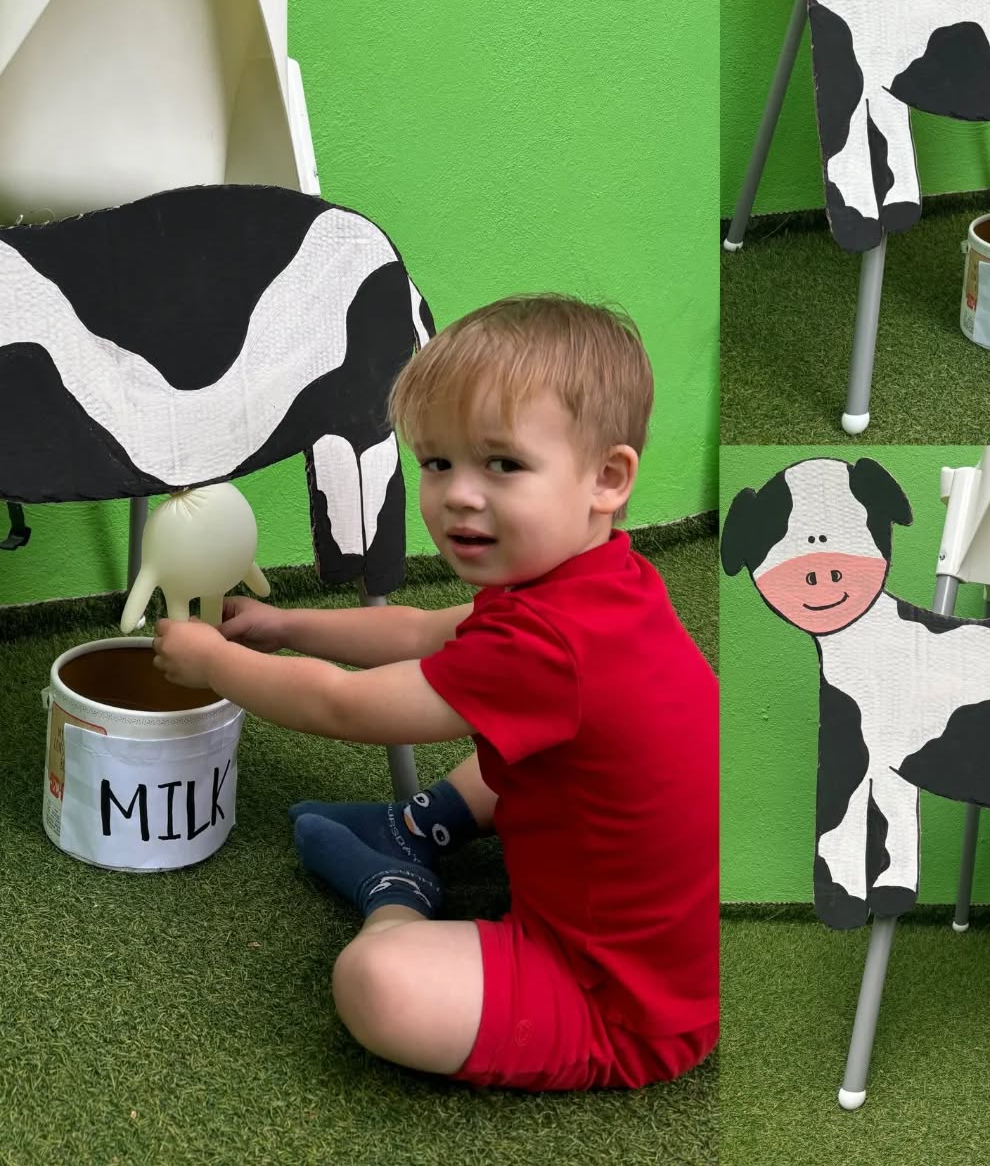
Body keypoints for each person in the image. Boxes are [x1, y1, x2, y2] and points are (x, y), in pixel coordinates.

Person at [152, 293, 718, 1092]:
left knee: (377, 982)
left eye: (503, 463)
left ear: (607, 478)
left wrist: (214, 663)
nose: (457, 493)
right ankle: (421, 824)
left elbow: (344, 708)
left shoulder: (547, 644)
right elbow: (423, 631)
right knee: (516, 745)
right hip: (647, 922)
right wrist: (287, 626)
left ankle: (399, 884)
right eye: (437, 462)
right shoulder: (598, 583)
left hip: (619, 1008)